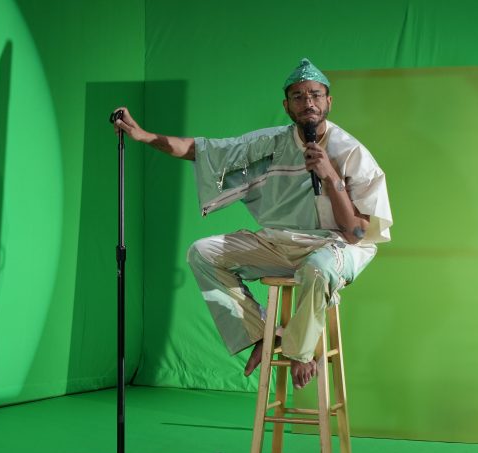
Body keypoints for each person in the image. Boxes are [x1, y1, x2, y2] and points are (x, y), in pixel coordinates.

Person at [112, 58, 392, 389]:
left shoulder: (351, 152)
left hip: (336, 247)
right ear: (287, 106)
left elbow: (357, 232)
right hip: (280, 242)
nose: (308, 103)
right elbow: (202, 151)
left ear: (329, 101)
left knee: (317, 268)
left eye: (316, 94)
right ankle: (264, 333)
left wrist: (330, 177)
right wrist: (144, 136)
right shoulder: (270, 144)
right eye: (298, 96)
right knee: (203, 252)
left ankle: (300, 354)